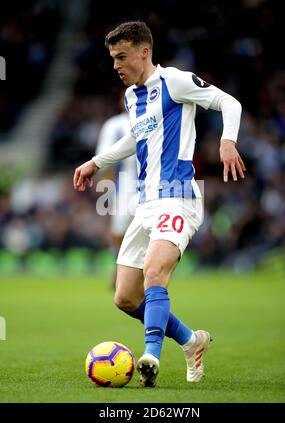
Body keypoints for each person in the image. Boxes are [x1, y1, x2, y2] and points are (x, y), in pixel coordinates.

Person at [73, 21, 246, 387]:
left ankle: (150, 355)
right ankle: (190, 340)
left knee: (154, 273)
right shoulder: (131, 98)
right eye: (112, 58)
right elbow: (135, 138)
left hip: (179, 197)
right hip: (145, 203)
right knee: (124, 297)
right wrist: (96, 162)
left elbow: (229, 102)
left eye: (122, 56)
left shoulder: (176, 82)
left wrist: (227, 141)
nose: (116, 65)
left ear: (144, 52)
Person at [95, 90, 138, 288]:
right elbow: (105, 160)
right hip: (126, 184)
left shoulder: (153, 119)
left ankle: (140, 272)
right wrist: (108, 192)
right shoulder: (114, 125)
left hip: (154, 184)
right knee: (119, 230)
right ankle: (120, 268)